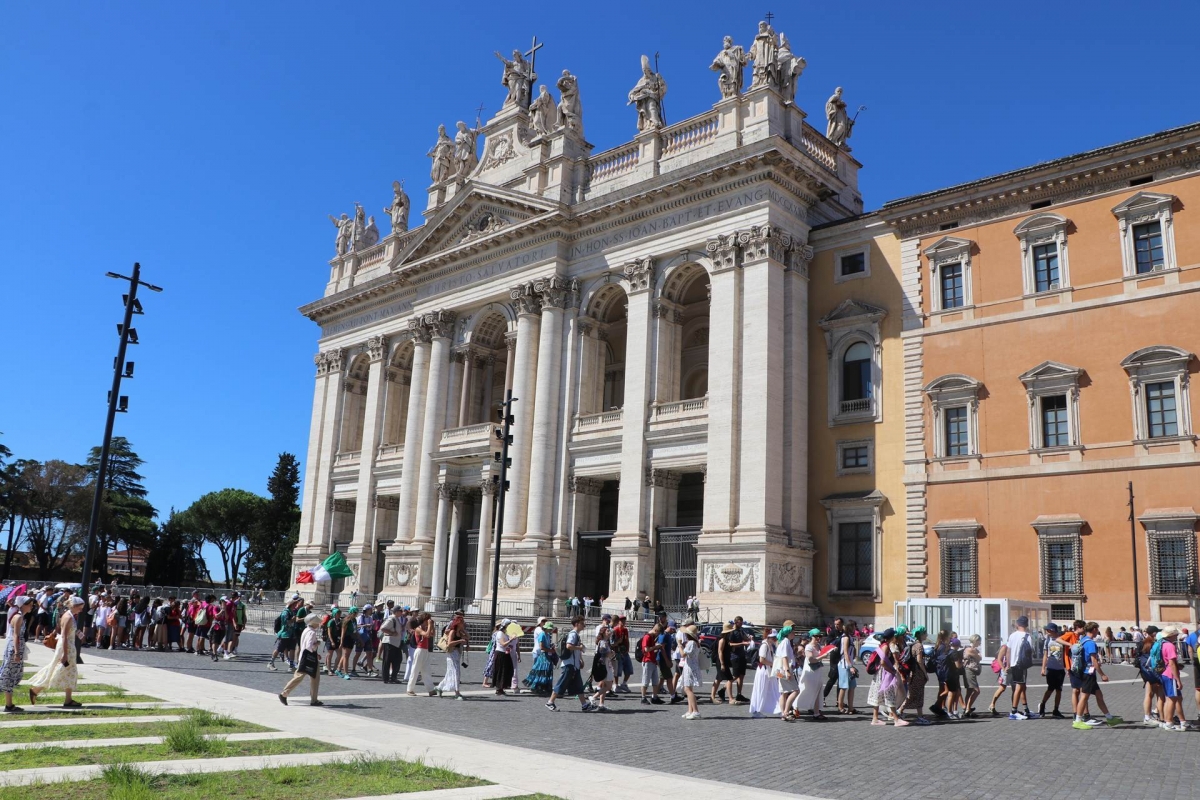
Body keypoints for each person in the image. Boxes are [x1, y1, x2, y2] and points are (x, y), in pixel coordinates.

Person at [29, 595, 84, 708]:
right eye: (80, 607)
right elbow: (64, 636)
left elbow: (67, 631)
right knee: (57, 670)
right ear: (74, 606)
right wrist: (64, 653)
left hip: (68, 646)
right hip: (67, 647)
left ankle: (68, 699)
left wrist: (78, 634)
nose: (81, 609)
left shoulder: (69, 615)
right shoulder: (68, 617)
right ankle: (36, 690)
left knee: (70, 672)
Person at [1073, 621, 1122, 729]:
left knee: (1099, 695)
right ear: (1094, 629)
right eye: (1097, 629)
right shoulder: (1091, 643)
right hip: (1088, 673)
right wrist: (1102, 674)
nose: (1098, 631)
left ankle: (1109, 718)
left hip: (1085, 672)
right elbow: (1094, 660)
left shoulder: (1083, 640)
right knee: (1084, 697)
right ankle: (1077, 720)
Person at [547, 616, 593, 712]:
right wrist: (580, 648)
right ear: (577, 624)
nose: (584, 625)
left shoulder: (576, 634)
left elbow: (574, 649)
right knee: (561, 683)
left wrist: (580, 659)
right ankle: (550, 702)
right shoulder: (573, 634)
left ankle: (584, 705)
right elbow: (569, 646)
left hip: (574, 665)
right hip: (569, 665)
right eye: (582, 623)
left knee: (579, 685)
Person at [278, 610, 323, 707]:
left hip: (305, 656)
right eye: (317, 622)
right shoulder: (312, 633)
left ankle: (313, 699)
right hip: (308, 658)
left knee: (307, 677)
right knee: (307, 677)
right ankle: (285, 694)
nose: (319, 624)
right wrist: (317, 644)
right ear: (313, 623)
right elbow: (309, 647)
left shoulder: (306, 630)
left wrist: (316, 653)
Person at [1, 596, 32, 712]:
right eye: (30, 604)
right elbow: (16, 636)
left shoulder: (19, 616)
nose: (31, 607)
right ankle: (9, 705)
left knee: (11, 675)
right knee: (9, 675)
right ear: (23, 605)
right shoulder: (18, 617)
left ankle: (9, 704)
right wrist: (17, 652)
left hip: (15, 647)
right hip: (14, 648)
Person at [867, 628, 902, 726]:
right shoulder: (886, 646)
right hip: (883, 674)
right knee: (889, 694)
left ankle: (875, 718)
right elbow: (882, 662)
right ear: (892, 637)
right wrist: (892, 671)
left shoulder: (883, 645)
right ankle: (896, 719)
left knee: (878, 695)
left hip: (879, 674)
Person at [1004, 615, 1037, 719]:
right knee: (1019, 687)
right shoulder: (1027, 636)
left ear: (1017, 624)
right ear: (1026, 625)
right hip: (1021, 664)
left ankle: (1026, 709)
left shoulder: (1012, 635)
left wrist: (1008, 664)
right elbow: (1031, 650)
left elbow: (1008, 651)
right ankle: (1014, 711)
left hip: (1013, 664)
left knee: (1022, 686)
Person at [792, 629, 829, 720]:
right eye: (816, 636)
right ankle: (794, 707)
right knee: (805, 690)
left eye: (819, 636)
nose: (818, 638)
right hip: (810, 672)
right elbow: (811, 659)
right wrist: (822, 657)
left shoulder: (818, 646)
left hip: (817, 671)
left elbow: (818, 657)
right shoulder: (808, 647)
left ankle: (816, 713)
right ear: (811, 637)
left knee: (818, 691)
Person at [897, 626, 930, 725]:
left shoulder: (914, 644)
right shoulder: (919, 646)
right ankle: (899, 711)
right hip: (917, 673)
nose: (926, 635)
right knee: (915, 694)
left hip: (914, 672)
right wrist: (925, 673)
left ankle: (919, 715)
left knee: (916, 694)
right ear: (921, 634)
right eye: (925, 633)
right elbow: (919, 660)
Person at [1038, 622, 1068, 718]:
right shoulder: (1047, 641)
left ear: (1053, 631)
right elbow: (1045, 655)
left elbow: (1065, 654)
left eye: (1048, 630)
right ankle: (1042, 704)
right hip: (1051, 668)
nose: (1047, 632)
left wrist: (1067, 668)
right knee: (1050, 689)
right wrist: (1043, 668)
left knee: (1059, 690)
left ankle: (1056, 709)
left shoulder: (1061, 640)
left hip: (1060, 668)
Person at [749, 628, 780, 718]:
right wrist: (773, 664)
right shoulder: (764, 645)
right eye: (773, 638)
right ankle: (756, 710)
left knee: (775, 690)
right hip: (764, 671)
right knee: (761, 691)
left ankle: (778, 709)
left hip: (770, 671)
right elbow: (761, 660)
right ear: (769, 637)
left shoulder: (770, 645)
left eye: (775, 638)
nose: (775, 639)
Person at [436, 614, 467, 700]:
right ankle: (457, 693)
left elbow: (468, 637)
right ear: (458, 623)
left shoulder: (460, 632)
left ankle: (439, 687)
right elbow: (449, 643)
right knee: (456, 673)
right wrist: (460, 640)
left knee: (450, 673)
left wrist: (463, 631)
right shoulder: (452, 632)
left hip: (457, 654)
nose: (464, 623)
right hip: (452, 653)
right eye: (462, 622)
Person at [774, 624, 800, 721]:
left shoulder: (783, 642)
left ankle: (783, 713)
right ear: (788, 633)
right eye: (793, 632)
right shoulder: (785, 642)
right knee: (796, 690)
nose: (794, 633)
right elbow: (784, 657)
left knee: (783, 693)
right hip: (785, 670)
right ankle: (786, 711)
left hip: (779, 671)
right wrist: (788, 671)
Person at [1159, 627, 1183, 730]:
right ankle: (1169, 722)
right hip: (1170, 674)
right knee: (1172, 699)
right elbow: (1172, 663)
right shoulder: (1170, 646)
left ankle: (1167, 721)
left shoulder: (1162, 644)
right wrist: (1178, 679)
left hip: (1164, 673)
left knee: (1169, 698)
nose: (1177, 636)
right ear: (1171, 635)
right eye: (1176, 635)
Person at [677, 623, 703, 720]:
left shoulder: (691, 643)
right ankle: (690, 710)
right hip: (690, 666)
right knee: (689, 689)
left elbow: (683, 654)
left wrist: (679, 645)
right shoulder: (694, 643)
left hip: (691, 667)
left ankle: (696, 711)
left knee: (687, 690)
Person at [406, 612, 435, 696]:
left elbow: (432, 634)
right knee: (415, 669)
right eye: (428, 619)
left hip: (425, 650)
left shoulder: (426, 627)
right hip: (419, 650)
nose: (429, 621)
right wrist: (429, 626)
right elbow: (426, 635)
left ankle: (430, 689)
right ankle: (410, 689)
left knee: (426, 670)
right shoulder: (418, 628)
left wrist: (432, 626)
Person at [525, 621, 557, 695]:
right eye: (549, 629)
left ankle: (545, 686)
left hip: (547, 654)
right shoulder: (542, 634)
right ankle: (538, 686)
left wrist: (551, 647)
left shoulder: (548, 635)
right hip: (543, 655)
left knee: (547, 669)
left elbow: (547, 645)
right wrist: (550, 650)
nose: (550, 630)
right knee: (542, 670)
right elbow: (541, 647)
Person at [588, 625, 615, 711]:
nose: (609, 632)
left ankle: (601, 704)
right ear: (603, 633)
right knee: (609, 686)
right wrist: (611, 653)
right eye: (607, 631)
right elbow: (604, 654)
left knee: (604, 685)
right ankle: (593, 697)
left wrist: (611, 654)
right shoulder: (603, 642)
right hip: (605, 665)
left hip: (606, 664)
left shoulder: (605, 641)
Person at [710, 622, 736, 705]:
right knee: (730, 679)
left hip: (723, 660)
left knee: (718, 679)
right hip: (721, 661)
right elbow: (720, 652)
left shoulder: (726, 639)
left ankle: (712, 697)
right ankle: (731, 699)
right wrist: (722, 664)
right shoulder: (722, 639)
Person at [836, 621, 859, 714]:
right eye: (854, 626)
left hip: (849, 665)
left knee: (852, 686)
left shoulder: (850, 637)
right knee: (843, 687)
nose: (855, 628)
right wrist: (850, 666)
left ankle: (851, 707)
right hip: (844, 665)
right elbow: (845, 652)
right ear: (850, 627)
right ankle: (840, 707)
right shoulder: (845, 638)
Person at [379, 605, 404, 684]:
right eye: (400, 611)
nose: (402, 613)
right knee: (387, 660)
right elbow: (383, 628)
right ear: (396, 612)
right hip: (390, 642)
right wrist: (392, 633)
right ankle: (386, 678)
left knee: (398, 660)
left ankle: (393, 677)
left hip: (396, 643)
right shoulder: (391, 619)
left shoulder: (396, 619)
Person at [728, 616, 752, 703]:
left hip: (742, 655)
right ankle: (725, 691)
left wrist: (748, 639)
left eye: (742, 623)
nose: (741, 624)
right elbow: (730, 644)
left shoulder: (741, 630)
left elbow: (744, 638)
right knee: (734, 676)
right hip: (735, 656)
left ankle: (739, 694)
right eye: (740, 623)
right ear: (735, 622)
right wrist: (742, 643)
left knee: (741, 676)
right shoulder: (732, 632)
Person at [639, 623, 664, 705]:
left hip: (652, 661)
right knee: (645, 681)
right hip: (647, 661)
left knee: (655, 681)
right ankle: (643, 697)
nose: (658, 635)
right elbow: (646, 649)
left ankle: (654, 697)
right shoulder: (647, 637)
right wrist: (656, 647)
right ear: (656, 630)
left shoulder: (651, 637)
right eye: (658, 633)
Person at [822, 618, 844, 706]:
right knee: (832, 679)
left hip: (842, 659)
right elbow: (829, 643)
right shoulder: (832, 632)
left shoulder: (844, 632)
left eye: (838, 624)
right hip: (834, 659)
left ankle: (838, 701)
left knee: (841, 681)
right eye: (835, 624)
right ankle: (823, 697)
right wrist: (839, 639)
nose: (836, 626)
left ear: (842, 624)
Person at [962, 634, 983, 716]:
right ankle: (967, 709)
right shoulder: (969, 649)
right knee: (977, 691)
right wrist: (978, 654)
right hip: (969, 671)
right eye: (979, 641)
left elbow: (979, 656)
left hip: (972, 671)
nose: (980, 643)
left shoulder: (974, 649)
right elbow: (979, 658)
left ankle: (967, 709)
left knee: (969, 691)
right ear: (975, 641)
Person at [612, 615, 633, 692]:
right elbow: (612, 642)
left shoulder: (625, 630)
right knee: (617, 670)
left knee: (629, 669)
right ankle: (616, 685)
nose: (623, 622)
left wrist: (628, 648)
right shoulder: (615, 630)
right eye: (621, 621)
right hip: (618, 652)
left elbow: (627, 640)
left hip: (625, 652)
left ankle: (624, 684)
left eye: (624, 620)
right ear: (618, 622)